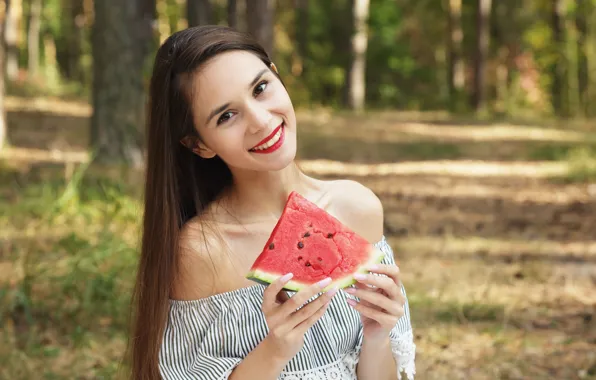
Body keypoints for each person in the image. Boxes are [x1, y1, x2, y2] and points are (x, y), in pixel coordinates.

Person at [128, 25, 416, 380]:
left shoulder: (359, 209)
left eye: (260, 89)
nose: (261, 121)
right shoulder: (202, 251)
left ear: (277, 77)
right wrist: (274, 350)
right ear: (198, 144)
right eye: (226, 116)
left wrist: (377, 337)